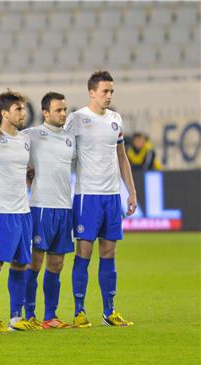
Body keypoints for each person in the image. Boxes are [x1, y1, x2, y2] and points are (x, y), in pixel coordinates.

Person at [64, 70, 137, 327]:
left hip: (111, 196)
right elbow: (62, 151)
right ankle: (80, 311)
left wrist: (131, 191)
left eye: (112, 91)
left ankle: (109, 311)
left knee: (109, 251)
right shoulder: (76, 119)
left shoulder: (116, 119)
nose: (109, 95)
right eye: (105, 91)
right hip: (87, 196)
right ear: (91, 92)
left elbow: (122, 157)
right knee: (84, 251)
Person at [0, 90, 41, 332]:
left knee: (20, 265)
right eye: (18, 109)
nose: (23, 113)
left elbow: (26, 170)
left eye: (24, 109)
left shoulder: (26, 140)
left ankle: (16, 318)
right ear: (3, 113)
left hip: (23, 213)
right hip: (0, 212)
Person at [22, 92, 76, 329]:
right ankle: (29, 314)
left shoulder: (71, 138)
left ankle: (50, 316)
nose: (63, 114)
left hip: (64, 207)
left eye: (65, 110)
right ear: (45, 112)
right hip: (41, 207)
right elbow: (9, 139)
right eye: (58, 110)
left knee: (56, 264)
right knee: (34, 263)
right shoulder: (32, 135)